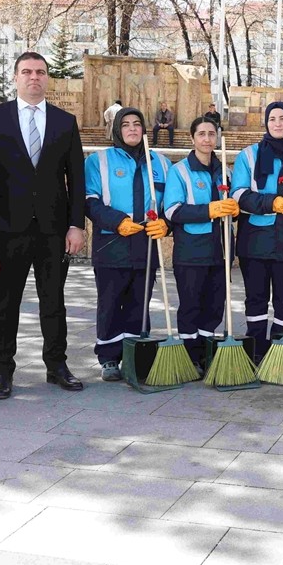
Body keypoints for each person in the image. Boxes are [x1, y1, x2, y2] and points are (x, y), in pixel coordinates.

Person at [0, 51, 87, 399]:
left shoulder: (65, 122)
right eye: (27, 71)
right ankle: (3, 372)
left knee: (53, 301)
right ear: (16, 77)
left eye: (40, 72)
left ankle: (56, 366)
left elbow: (77, 178)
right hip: (9, 230)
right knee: (5, 304)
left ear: (47, 78)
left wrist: (76, 225)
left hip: (53, 231)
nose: (34, 77)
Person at [85, 108, 170, 381]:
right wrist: (117, 221)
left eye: (137, 124)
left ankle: (134, 352)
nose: (132, 129)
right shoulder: (99, 161)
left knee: (138, 302)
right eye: (126, 125)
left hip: (145, 244)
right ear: (117, 130)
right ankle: (109, 357)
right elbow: (90, 200)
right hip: (112, 243)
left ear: (145, 129)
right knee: (110, 302)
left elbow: (171, 202)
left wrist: (166, 222)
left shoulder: (161, 162)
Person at [231, 102, 283, 361]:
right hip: (255, 239)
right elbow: (239, 195)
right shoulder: (249, 156)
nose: (278, 123)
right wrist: (271, 202)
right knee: (256, 297)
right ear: (266, 123)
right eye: (273, 118)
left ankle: (280, 352)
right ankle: (256, 349)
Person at [163, 117, 240, 370]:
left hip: (220, 251)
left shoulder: (224, 172)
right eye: (202, 134)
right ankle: (189, 357)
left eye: (211, 134)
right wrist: (210, 210)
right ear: (192, 138)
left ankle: (206, 352)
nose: (207, 139)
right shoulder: (180, 171)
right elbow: (173, 211)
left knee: (215, 305)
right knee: (191, 305)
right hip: (191, 252)